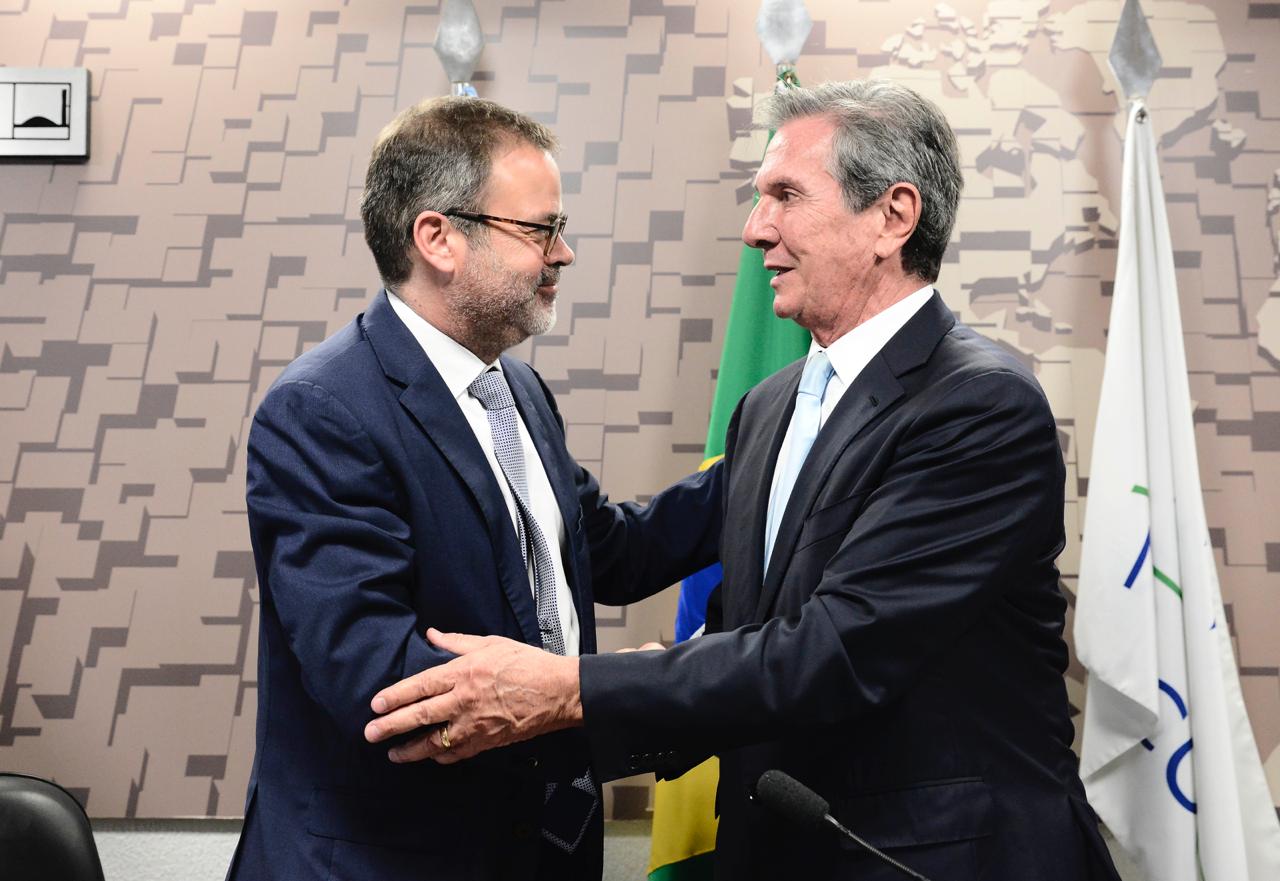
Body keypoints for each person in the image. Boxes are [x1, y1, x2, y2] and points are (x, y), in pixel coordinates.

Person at [364, 81, 1123, 881]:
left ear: (893, 216)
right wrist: (479, 416)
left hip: (925, 862)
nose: (756, 228)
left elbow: (832, 650)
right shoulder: (771, 406)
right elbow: (628, 556)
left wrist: (566, 690)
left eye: (785, 195)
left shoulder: (978, 406)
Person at [226, 97, 719, 881]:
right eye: (539, 229)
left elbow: (610, 552)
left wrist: (776, 455)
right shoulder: (323, 410)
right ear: (438, 238)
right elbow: (382, 678)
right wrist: (624, 694)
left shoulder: (516, 392)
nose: (563, 253)